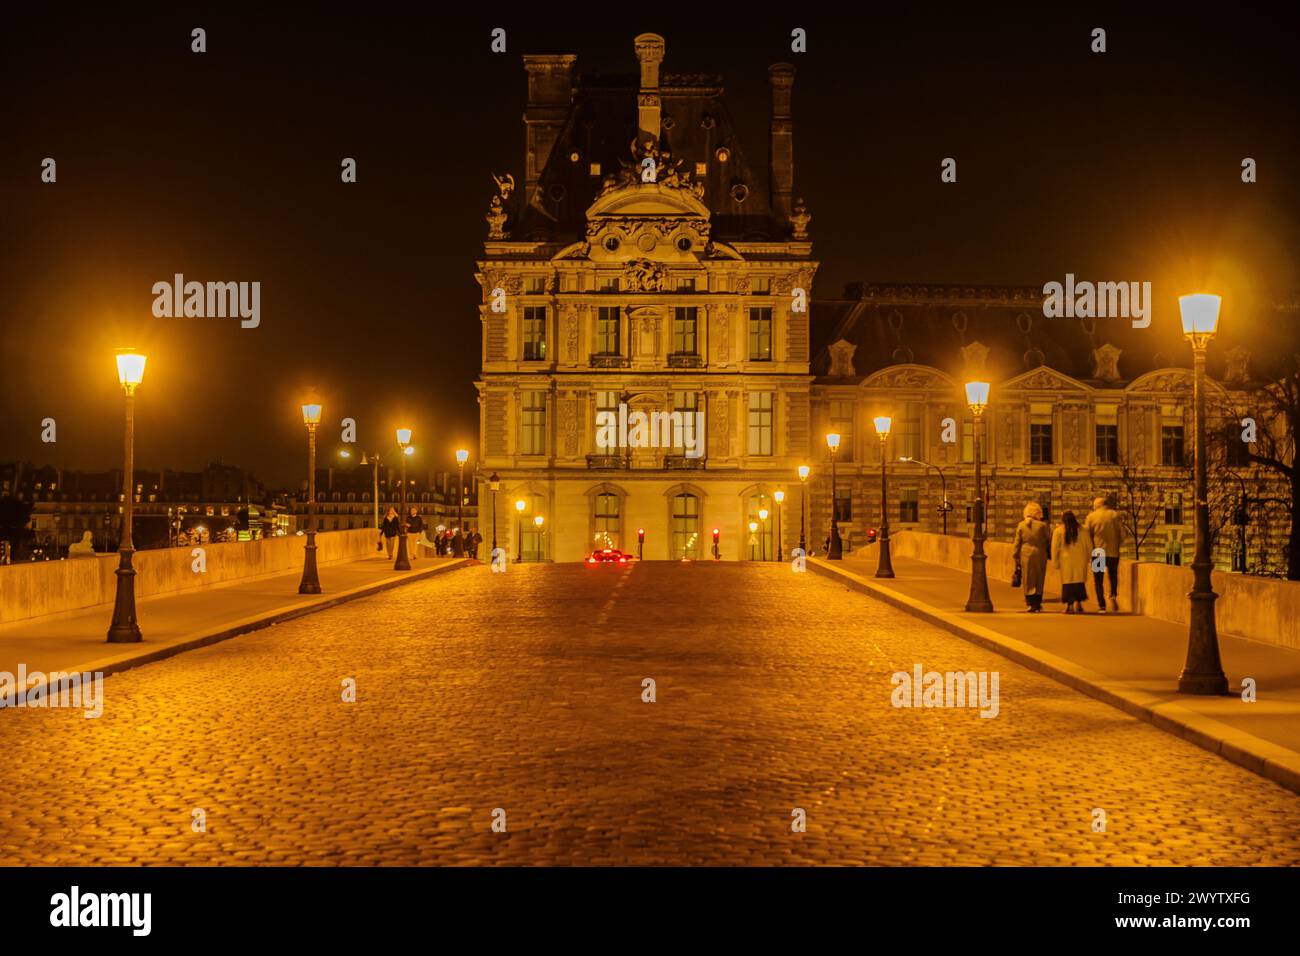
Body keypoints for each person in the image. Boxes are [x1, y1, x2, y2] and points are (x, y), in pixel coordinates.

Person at [1085, 495, 1124, 613]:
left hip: (1097, 552)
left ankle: (1101, 605)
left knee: (1098, 579)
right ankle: (1112, 595)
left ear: (1096, 506)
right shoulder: (1115, 515)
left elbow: (1087, 535)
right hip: (1113, 552)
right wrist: (1117, 543)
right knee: (1113, 576)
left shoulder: (1091, 517)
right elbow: (1123, 533)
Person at [1012, 502, 1051, 613]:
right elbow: (1048, 539)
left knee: (1028, 578)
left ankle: (1030, 603)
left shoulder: (1021, 525)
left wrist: (1015, 554)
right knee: (1039, 578)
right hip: (1040, 553)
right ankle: (1037, 604)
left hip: (1025, 553)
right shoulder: (1042, 525)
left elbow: (1017, 542)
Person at [1052, 510, 1089, 614]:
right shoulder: (1083, 530)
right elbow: (1089, 546)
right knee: (1079, 582)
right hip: (1080, 560)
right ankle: (1079, 603)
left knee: (1068, 584)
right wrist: (1089, 558)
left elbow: (1055, 548)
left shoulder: (1058, 531)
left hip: (1065, 561)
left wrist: (1055, 562)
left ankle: (1070, 605)